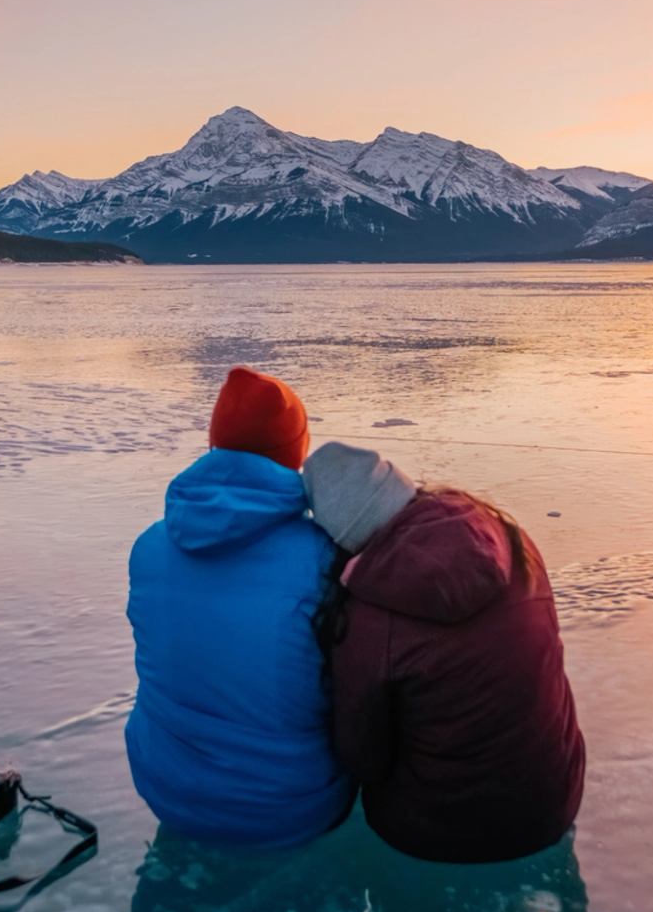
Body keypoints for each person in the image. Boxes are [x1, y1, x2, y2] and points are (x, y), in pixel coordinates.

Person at [304, 441, 584, 864]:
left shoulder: (371, 619)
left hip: (436, 833)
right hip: (553, 802)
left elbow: (363, 758)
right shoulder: (509, 539)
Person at [125, 366, 351, 848]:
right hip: (290, 808)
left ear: (214, 444)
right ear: (298, 453)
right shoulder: (327, 560)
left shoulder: (148, 547)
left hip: (165, 788)